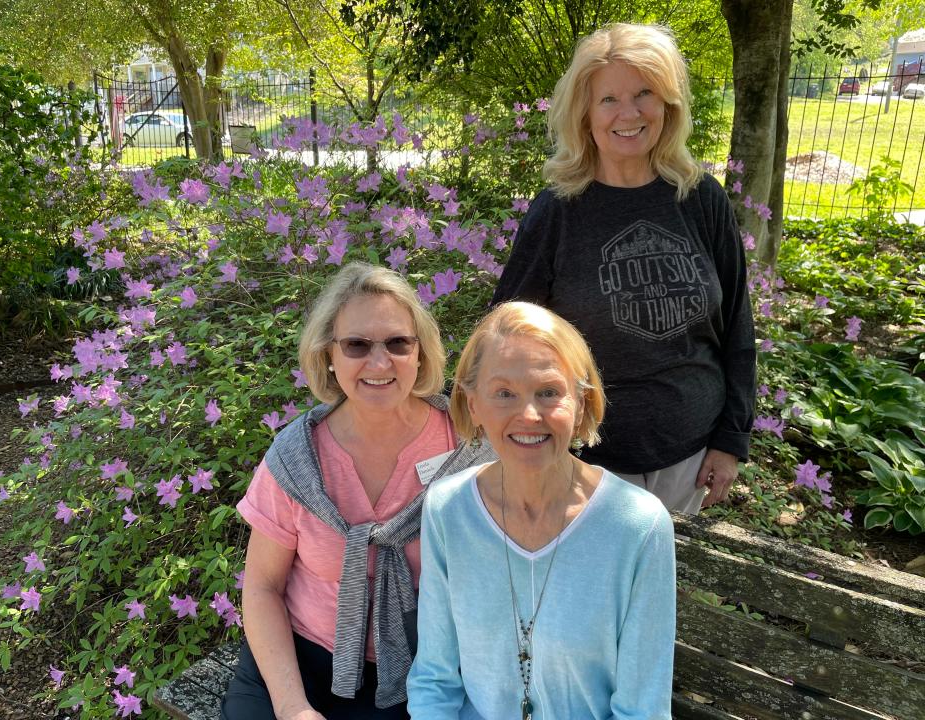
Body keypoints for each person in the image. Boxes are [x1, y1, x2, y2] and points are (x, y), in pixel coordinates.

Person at [491, 23, 756, 514]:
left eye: (644, 94)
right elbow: (506, 333)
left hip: (689, 458)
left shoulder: (701, 200)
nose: (629, 113)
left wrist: (731, 438)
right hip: (583, 461)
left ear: (669, 104)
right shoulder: (558, 209)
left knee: (668, 587)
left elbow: (737, 327)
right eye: (608, 99)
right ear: (584, 113)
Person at [222, 262, 493, 720]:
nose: (380, 362)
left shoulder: (466, 446)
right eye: (357, 345)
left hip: (426, 668)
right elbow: (263, 587)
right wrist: (291, 707)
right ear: (329, 354)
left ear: (421, 353)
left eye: (397, 343)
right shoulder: (296, 458)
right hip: (300, 662)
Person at [407, 301, 676, 719]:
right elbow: (435, 680)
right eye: (504, 393)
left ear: (582, 403)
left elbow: (642, 709)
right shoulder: (448, 509)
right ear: (473, 404)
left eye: (549, 392)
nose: (529, 415)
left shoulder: (637, 525)